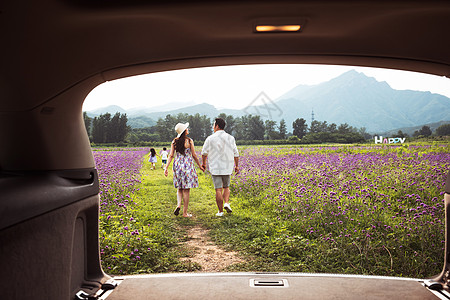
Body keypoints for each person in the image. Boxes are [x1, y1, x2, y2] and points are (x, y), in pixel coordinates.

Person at [164, 122, 204, 217]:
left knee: (179, 188)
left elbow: (171, 155)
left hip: (177, 166)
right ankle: (185, 213)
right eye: (187, 128)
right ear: (184, 131)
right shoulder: (189, 141)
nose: (188, 129)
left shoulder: (174, 141)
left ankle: (178, 205)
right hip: (187, 166)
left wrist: (166, 168)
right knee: (186, 190)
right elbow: (194, 155)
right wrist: (199, 165)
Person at [201, 117, 239, 217]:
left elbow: (204, 153)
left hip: (215, 167)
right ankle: (226, 202)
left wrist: (204, 163)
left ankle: (220, 211)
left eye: (213, 125)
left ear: (217, 126)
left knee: (218, 189)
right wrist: (237, 166)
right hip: (227, 166)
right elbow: (236, 153)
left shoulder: (210, 138)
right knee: (226, 187)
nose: (213, 127)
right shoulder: (231, 138)